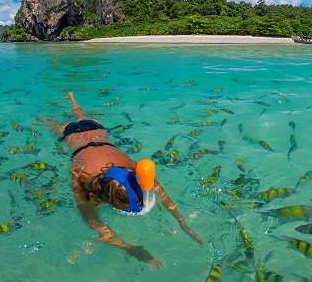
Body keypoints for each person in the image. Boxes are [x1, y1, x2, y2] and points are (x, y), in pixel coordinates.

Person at [44, 92, 203, 268]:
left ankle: (69, 100)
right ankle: (72, 100)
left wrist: (183, 223)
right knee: (74, 116)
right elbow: (97, 226)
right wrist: (131, 249)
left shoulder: (126, 169)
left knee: (56, 122)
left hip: (89, 133)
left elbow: (99, 227)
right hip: (89, 131)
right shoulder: (84, 180)